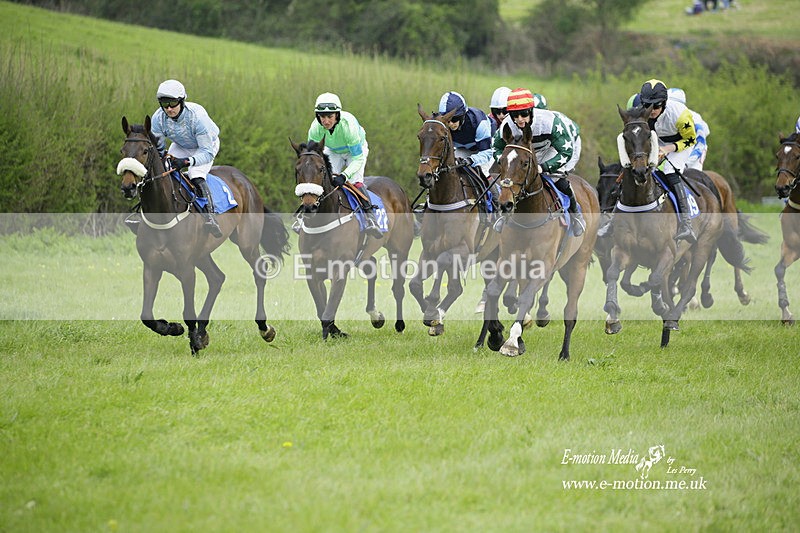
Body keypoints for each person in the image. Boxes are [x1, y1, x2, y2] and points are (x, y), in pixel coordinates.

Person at [491, 87, 586, 236]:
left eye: (523, 114)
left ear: (531, 111)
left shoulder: (550, 122)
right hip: (527, 151)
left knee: (557, 178)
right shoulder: (507, 124)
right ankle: (504, 214)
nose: (520, 119)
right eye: (515, 115)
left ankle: (576, 214)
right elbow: (496, 147)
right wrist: (505, 164)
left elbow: (566, 151)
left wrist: (545, 167)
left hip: (554, 149)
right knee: (513, 178)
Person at [620, 79, 698, 243]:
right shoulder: (642, 113)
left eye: (656, 106)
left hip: (680, 144)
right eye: (648, 106)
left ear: (664, 103)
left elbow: (691, 140)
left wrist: (668, 149)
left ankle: (686, 223)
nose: (652, 110)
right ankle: (615, 214)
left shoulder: (681, 115)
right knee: (634, 168)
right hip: (656, 141)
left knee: (669, 171)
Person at [147, 79, 222, 237]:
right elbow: (159, 149)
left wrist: (186, 162)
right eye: (164, 103)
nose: (168, 108)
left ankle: (210, 216)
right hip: (181, 145)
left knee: (196, 174)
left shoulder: (197, 118)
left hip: (206, 146)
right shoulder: (157, 119)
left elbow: (207, 152)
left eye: (173, 103)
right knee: (162, 171)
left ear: (181, 101)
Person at [307, 92, 382, 238]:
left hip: (355, 152)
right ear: (318, 116)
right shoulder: (315, 128)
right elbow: (312, 157)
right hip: (333, 151)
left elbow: (358, 158)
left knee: (355, 181)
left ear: (337, 115)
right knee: (322, 180)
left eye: (330, 116)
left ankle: (370, 218)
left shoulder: (348, 127)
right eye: (322, 116)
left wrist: (344, 175)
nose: (326, 121)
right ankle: (308, 212)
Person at [438, 90, 500, 216]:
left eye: (454, 119)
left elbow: (486, 152)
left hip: (484, 147)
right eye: (447, 120)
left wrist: (472, 160)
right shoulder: (442, 125)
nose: (450, 124)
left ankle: (497, 205)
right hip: (462, 148)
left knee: (482, 171)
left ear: (463, 115)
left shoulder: (479, 122)